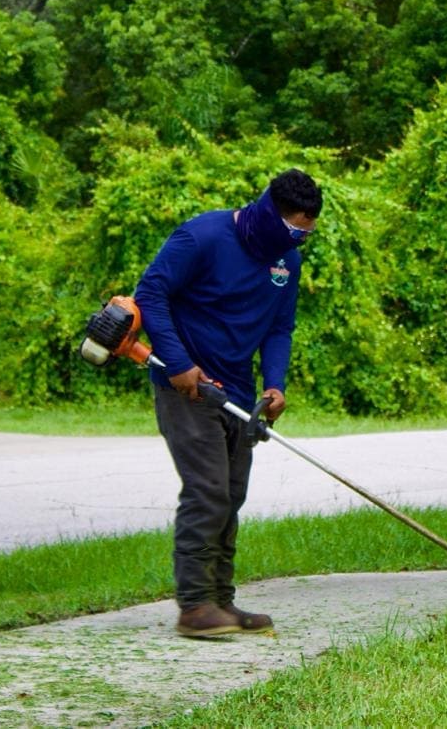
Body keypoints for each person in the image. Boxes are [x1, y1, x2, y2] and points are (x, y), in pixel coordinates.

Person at [134, 168, 322, 637]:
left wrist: (274, 385)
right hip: (187, 387)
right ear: (271, 216)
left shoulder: (285, 261)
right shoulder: (202, 236)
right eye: (296, 232)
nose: (300, 242)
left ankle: (221, 600)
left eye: (307, 234)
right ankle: (195, 607)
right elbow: (151, 293)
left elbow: (279, 327)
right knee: (208, 491)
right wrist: (178, 364)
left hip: (237, 392)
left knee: (231, 494)